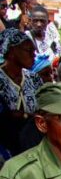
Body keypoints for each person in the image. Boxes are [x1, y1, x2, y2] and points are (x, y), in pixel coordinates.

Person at [0, 29, 42, 157]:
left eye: (34, 51)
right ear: (11, 51)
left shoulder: (34, 78)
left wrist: (23, 115)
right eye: (29, 51)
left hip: (31, 145)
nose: (34, 55)